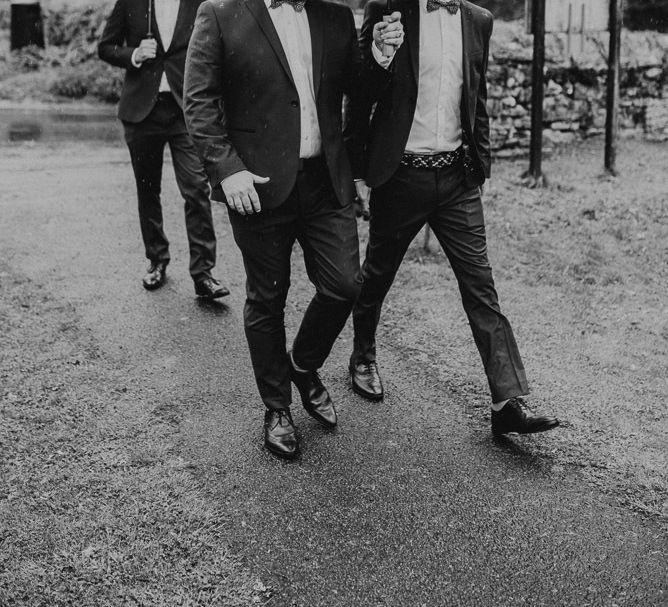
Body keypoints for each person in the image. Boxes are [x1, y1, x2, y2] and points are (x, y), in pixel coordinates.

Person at [183, 0, 403, 458]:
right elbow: (199, 101)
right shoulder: (221, 13)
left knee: (345, 285)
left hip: (325, 180)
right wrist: (226, 169)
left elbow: (358, 92)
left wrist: (381, 56)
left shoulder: (335, 16)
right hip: (257, 185)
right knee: (267, 297)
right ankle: (277, 406)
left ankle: (303, 366)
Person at [348, 0, 560, 436]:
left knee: (481, 285)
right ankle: (363, 355)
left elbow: (475, 99)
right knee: (378, 274)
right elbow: (358, 89)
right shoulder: (389, 10)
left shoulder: (478, 20)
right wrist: (378, 56)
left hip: (458, 180)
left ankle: (505, 401)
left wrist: (480, 167)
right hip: (400, 175)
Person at [98, 0, 228, 298]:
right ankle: (157, 260)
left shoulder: (201, 4)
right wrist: (134, 55)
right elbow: (105, 47)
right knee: (148, 189)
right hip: (142, 111)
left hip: (188, 111)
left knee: (196, 188)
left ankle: (203, 273)